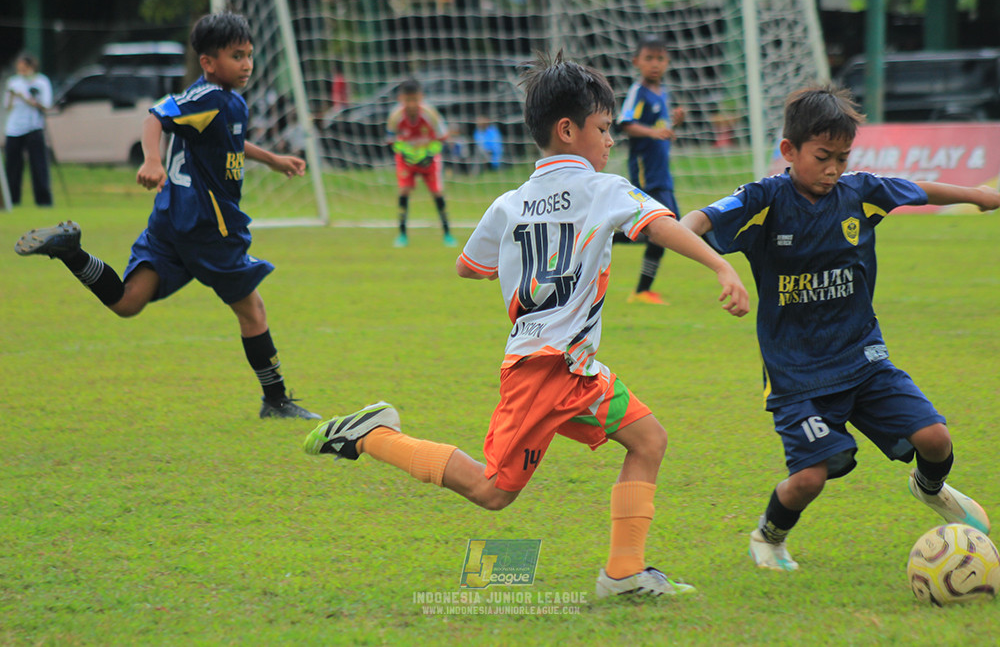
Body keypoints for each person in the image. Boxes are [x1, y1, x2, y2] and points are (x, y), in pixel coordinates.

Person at [303, 52, 750, 598]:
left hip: (574, 368)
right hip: (544, 372)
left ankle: (625, 574)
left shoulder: (509, 204)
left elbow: (469, 266)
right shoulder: (604, 191)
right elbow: (661, 225)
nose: (610, 142)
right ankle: (373, 434)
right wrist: (721, 264)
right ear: (568, 130)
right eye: (604, 129)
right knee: (493, 491)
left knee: (649, 439)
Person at [679, 83, 997, 572]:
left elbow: (918, 189)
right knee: (809, 478)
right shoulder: (763, 199)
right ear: (789, 151)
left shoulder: (859, 191)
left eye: (842, 159)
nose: (832, 169)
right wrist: (723, 269)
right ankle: (769, 535)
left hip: (862, 357)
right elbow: (692, 222)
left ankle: (929, 488)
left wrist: (977, 195)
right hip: (795, 374)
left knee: (935, 438)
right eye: (823, 157)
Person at [14, 12, 321, 421]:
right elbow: (154, 118)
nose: (246, 64)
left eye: (249, 55)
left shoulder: (223, 100)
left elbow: (227, 139)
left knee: (127, 302)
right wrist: (152, 160)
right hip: (208, 226)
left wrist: (272, 159)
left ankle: (71, 252)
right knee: (253, 311)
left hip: (171, 223)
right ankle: (277, 400)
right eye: (236, 56)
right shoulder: (209, 95)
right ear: (209, 62)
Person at [618, 36, 686, 305]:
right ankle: (603, 239)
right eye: (649, 58)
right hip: (647, 173)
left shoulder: (663, 93)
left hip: (662, 173)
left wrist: (673, 125)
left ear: (667, 62)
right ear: (636, 62)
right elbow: (625, 122)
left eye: (660, 59)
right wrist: (655, 131)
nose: (654, 64)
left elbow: (661, 131)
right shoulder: (639, 92)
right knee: (666, 227)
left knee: (663, 230)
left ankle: (642, 290)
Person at [386, 79, 455, 248]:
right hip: (407, 160)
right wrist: (403, 152)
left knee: (437, 193)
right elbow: (390, 140)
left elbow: (443, 138)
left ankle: (447, 234)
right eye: (407, 100)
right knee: (404, 191)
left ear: (421, 97)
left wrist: (430, 153)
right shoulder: (395, 116)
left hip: (429, 159)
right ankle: (402, 234)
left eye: (415, 100)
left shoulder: (430, 114)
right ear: (401, 98)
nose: (411, 104)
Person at [4, 53, 53, 207]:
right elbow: (7, 106)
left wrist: (25, 97)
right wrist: (12, 96)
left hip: (34, 127)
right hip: (14, 128)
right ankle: (12, 199)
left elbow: (45, 105)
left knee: (38, 166)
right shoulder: (13, 82)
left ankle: (43, 200)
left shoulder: (41, 82)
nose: (21, 71)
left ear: (31, 67)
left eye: (24, 68)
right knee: (12, 167)